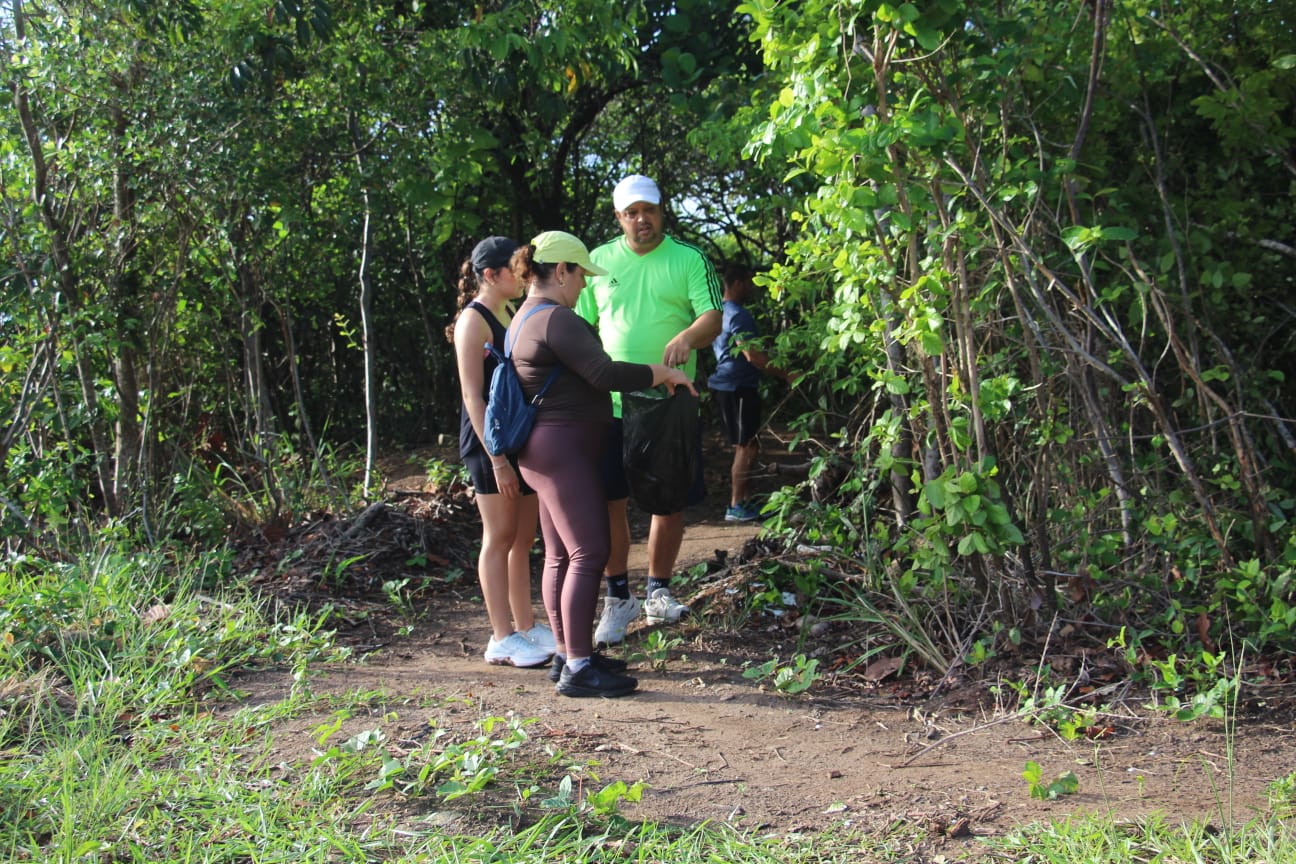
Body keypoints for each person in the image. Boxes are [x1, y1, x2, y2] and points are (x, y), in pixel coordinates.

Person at [511, 231, 696, 698]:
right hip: (562, 451)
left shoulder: (524, 317)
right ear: (561, 271)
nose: (583, 286)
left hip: (543, 449)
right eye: (580, 276)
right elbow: (604, 373)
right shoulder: (557, 319)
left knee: (560, 554)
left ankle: (567, 653)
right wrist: (662, 373)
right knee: (589, 552)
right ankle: (578, 667)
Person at [576, 174, 723, 646]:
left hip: (669, 403)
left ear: (662, 211)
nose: (642, 220)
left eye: (649, 210)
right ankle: (619, 597)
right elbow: (579, 326)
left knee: (668, 498)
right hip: (610, 404)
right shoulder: (597, 262)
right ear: (618, 217)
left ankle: (659, 591)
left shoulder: (689, 258)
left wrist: (688, 337)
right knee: (610, 500)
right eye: (632, 212)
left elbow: (713, 317)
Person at [447, 236, 554, 669]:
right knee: (499, 538)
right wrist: (497, 460)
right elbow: (472, 397)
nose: (525, 274)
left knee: (523, 539)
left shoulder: (510, 310)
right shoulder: (473, 322)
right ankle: (501, 637)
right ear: (491, 275)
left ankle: (525, 626)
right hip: (487, 446)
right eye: (516, 267)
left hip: (516, 438)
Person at [709, 264, 793, 522]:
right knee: (745, 446)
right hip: (738, 386)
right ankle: (736, 505)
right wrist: (787, 374)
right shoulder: (738, 314)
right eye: (749, 282)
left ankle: (745, 500)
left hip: (730, 385)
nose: (753, 288)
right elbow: (752, 355)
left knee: (750, 443)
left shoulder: (717, 312)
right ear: (738, 283)